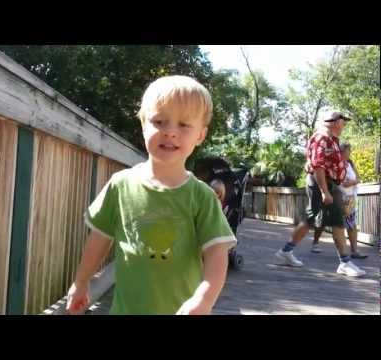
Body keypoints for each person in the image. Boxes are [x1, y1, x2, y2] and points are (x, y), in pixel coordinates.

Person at [66, 75, 237, 315]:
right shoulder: (120, 185)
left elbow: (217, 254)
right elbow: (99, 239)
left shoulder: (202, 197)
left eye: (184, 125)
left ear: (200, 135)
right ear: (144, 124)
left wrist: (204, 299)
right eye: (159, 121)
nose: (170, 132)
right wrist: (80, 282)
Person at [274, 112, 366, 277]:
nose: (344, 126)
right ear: (336, 122)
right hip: (322, 184)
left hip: (329, 184)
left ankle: (286, 252)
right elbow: (318, 166)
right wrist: (324, 191)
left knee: (318, 219)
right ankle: (344, 262)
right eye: (343, 123)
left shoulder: (331, 139)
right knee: (326, 219)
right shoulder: (322, 138)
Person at [310, 143, 368, 259]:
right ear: (339, 152)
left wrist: (351, 182)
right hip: (336, 196)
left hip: (350, 197)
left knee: (351, 224)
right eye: (345, 152)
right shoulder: (333, 163)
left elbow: (358, 178)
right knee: (323, 220)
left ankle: (354, 251)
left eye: (348, 152)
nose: (347, 154)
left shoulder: (350, 163)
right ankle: (316, 242)